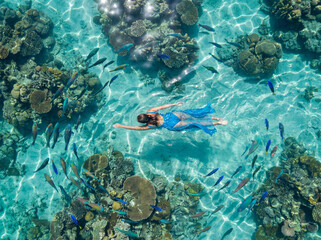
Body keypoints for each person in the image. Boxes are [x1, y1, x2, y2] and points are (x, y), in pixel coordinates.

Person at [113, 102, 227, 136]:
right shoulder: (151, 111)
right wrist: (175, 104)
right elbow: (163, 107)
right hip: (173, 115)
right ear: (145, 114)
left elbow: (136, 128)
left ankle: (218, 123)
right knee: (195, 116)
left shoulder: (149, 126)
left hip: (172, 125)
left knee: (195, 124)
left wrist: (121, 126)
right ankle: (216, 117)